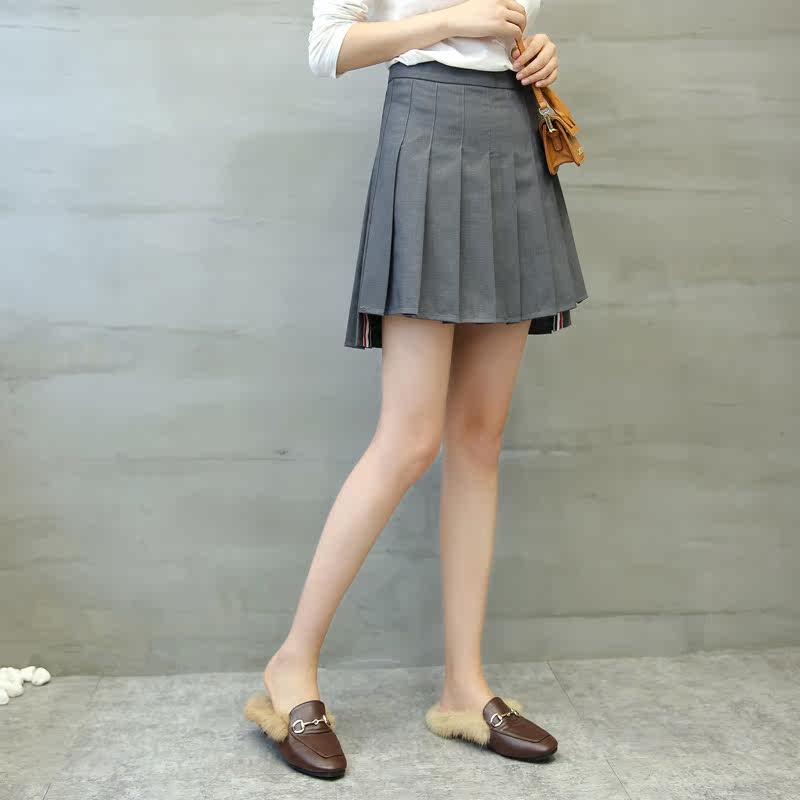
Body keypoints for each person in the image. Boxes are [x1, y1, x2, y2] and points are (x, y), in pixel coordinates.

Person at [244, 0, 588, 779]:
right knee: (409, 438)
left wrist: (535, 49)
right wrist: (447, 21)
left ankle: (464, 687)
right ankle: (291, 664)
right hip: (427, 131)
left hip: (513, 134)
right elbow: (329, 47)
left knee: (479, 438)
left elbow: (504, 33)